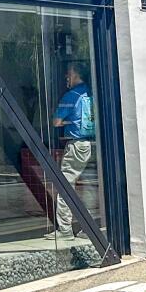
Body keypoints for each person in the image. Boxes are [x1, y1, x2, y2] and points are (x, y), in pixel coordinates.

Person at [46, 64, 95, 240]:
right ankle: (90, 228)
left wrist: (69, 123)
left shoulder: (71, 95)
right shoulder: (90, 92)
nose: (66, 77)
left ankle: (65, 229)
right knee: (87, 188)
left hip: (76, 145)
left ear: (75, 74)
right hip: (92, 144)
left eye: (69, 74)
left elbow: (56, 122)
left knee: (66, 186)